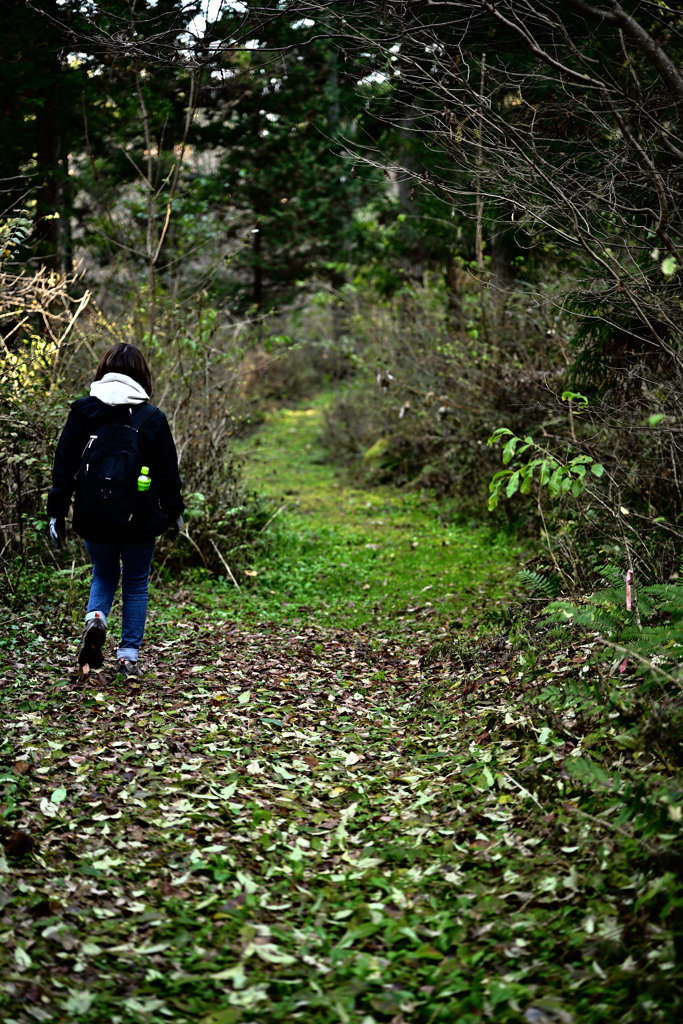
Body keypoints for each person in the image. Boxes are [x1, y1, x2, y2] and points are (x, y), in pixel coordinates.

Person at [47, 343, 184, 678]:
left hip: (93, 517)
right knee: (135, 583)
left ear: (103, 372)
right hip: (140, 519)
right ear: (142, 375)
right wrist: (175, 512)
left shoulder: (82, 412)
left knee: (104, 573)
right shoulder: (152, 418)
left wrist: (56, 512)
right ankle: (127, 658)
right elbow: (168, 473)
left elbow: (63, 466)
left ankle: (96, 619)